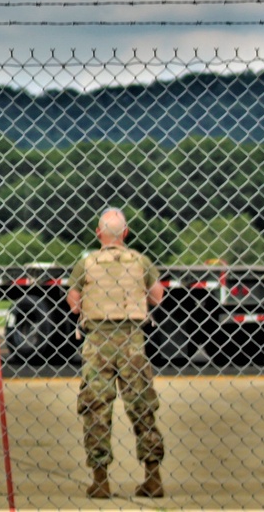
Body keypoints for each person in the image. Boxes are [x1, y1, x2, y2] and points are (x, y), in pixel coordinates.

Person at [66, 207, 166, 498]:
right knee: (142, 407)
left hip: (98, 341)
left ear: (99, 234)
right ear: (126, 233)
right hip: (132, 341)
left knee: (96, 408)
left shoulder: (86, 263)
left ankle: (100, 479)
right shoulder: (141, 261)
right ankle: (153, 476)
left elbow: (74, 302)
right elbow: (157, 297)